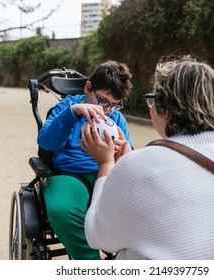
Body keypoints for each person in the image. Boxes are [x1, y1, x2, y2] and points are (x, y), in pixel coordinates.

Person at [80, 55, 214, 259]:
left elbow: (97, 237)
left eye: (153, 99)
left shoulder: (140, 164)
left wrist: (106, 163)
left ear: (165, 107)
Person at [37, 60, 133, 260]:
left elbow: (129, 155)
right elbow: (46, 141)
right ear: (88, 87)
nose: (107, 110)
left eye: (114, 105)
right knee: (61, 209)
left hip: (109, 174)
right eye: (103, 100)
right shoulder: (67, 107)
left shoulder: (117, 119)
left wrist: (123, 150)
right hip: (72, 175)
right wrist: (73, 112)